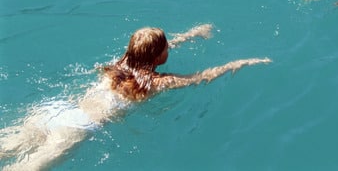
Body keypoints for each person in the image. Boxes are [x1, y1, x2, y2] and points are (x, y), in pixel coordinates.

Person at [0, 24, 271, 171]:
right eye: (167, 47)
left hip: (56, 111)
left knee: (8, 145)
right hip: (76, 128)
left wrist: (192, 35)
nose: (169, 48)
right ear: (157, 58)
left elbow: (150, 49)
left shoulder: (119, 65)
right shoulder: (155, 82)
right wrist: (242, 62)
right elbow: (202, 77)